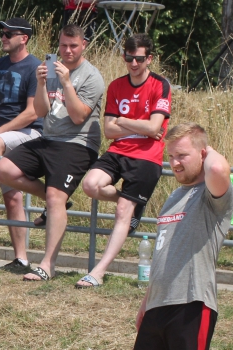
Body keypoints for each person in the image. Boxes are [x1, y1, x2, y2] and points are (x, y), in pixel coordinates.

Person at [0, 23, 104, 281]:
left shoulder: (92, 76)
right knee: (3, 169)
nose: (67, 51)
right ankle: (58, 203)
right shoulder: (51, 68)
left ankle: (47, 264)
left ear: (83, 45)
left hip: (78, 142)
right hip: (49, 138)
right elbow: (42, 112)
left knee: (55, 196)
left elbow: (78, 117)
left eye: (73, 46)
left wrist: (67, 83)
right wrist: (42, 84)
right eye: (63, 45)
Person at [77, 34, 169, 288]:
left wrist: (124, 122)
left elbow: (155, 128)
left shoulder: (160, 84)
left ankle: (98, 271)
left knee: (121, 212)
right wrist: (142, 126)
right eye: (129, 58)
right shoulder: (117, 86)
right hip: (118, 151)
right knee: (91, 185)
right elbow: (109, 130)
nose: (134, 63)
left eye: (139, 59)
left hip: (147, 157)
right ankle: (133, 206)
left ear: (149, 58)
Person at [132, 123, 233, 349]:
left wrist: (208, 148)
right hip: (158, 305)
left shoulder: (211, 196)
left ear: (203, 154)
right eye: (171, 156)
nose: (174, 163)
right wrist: (148, 301)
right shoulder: (174, 196)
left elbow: (217, 169)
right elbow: (163, 255)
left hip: (191, 304)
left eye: (182, 155)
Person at [0, 18, 42, 269]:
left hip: (30, 133)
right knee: (13, 198)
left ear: (24, 38)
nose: (3, 37)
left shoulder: (35, 67)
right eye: (2, 32)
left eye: (9, 33)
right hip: (3, 134)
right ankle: (21, 259)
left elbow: (32, 113)